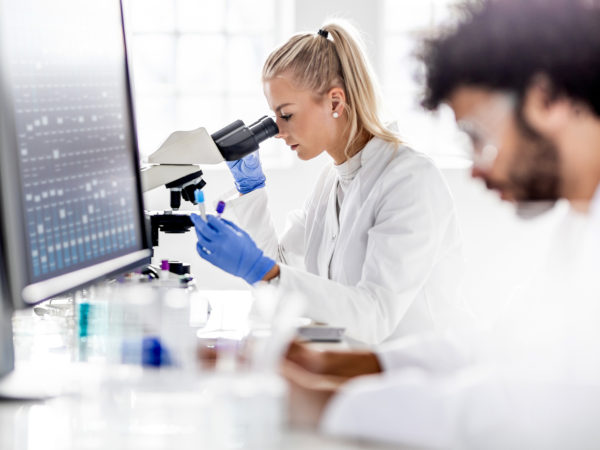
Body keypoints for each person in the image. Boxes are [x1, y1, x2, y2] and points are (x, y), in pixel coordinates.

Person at [281, 0, 600, 448]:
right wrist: (350, 367)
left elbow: (533, 411)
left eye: (478, 137)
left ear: (547, 101)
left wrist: (324, 403)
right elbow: (498, 346)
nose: (475, 170)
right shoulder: (579, 223)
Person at [191, 21, 468, 345]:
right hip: (361, 369)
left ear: (336, 103)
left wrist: (257, 267)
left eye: (287, 114)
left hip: (423, 379)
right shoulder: (332, 182)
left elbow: (375, 316)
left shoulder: (409, 181)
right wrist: (251, 192)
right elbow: (279, 271)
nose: (278, 131)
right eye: (274, 116)